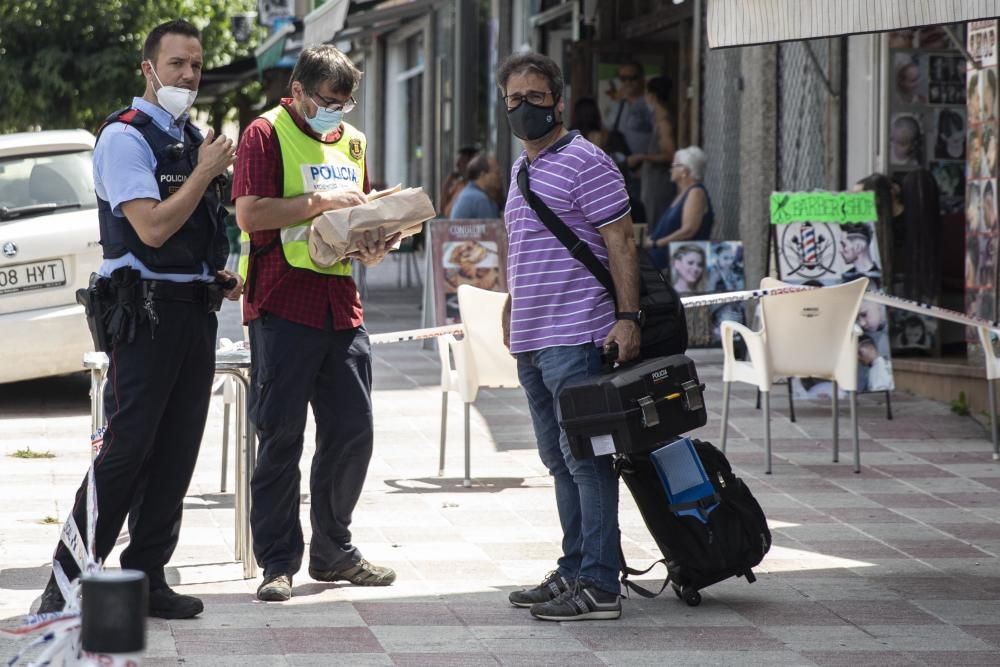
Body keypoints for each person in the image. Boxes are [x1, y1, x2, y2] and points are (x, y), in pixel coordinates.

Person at [36, 19, 242, 619]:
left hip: (193, 310)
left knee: (177, 450)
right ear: (149, 69)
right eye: (177, 64)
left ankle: (147, 575)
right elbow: (150, 226)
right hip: (145, 314)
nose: (189, 76)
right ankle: (66, 584)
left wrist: (218, 276)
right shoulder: (125, 138)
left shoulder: (191, 137)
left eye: (197, 66)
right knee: (127, 450)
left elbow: (192, 232)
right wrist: (204, 171)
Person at [232, 44, 399, 603]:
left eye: (345, 102)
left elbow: (359, 212)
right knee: (281, 438)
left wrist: (378, 238)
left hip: (340, 303)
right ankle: (278, 562)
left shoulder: (352, 141)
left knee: (353, 430)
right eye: (328, 101)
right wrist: (321, 200)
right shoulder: (265, 132)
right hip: (282, 303)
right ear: (298, 90)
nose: (337, 111)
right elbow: (252, 213)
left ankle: (334, 552)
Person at [498, 52, 640, 622]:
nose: (525, 107)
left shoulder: (587, 161)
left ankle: (601, 586)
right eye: (514, 99)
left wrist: (627, 317)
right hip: (533, 340)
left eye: (535, 97)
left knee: (588, 461)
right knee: (560, 460)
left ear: (557, 100)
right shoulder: (520, 169)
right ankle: (576, 568)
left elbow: (621, 242)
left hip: (578, 335)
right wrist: (512, 303)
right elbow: (526, 244)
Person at [643, 146, 714, 270]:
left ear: (684, 171)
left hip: (684, 268)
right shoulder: (683, 193)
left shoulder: (695, 192)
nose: (671, 169)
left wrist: (656, 243)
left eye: (674, 164)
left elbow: (688, 230)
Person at [609, 61, 653, 221]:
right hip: (623, 168)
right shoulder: (619, 104)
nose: (627, 83)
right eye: (623, 79)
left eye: (632, 78)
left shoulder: (649, 104)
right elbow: (609, 128)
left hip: (644, 168)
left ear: (641, 79)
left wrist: (646, 159)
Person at [630, 76, 677, 227]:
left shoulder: (664, 122)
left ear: (652, 96)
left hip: (660, 182)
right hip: (652, 179)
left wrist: (643, 157)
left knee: (656, 220)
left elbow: (670, 154)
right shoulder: (656, 119)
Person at [450, 153, 501, 219]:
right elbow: (492, 228)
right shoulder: (480, 199)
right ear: (483, 175)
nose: (500, 176)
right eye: (496, 173)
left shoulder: (466, 193)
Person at [441, 145, 480, 218]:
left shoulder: (478, 187)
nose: (458, 167)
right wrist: (448, 181)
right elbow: (443, 209)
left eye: (461, 163)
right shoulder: (458, 185)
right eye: (457, 164)